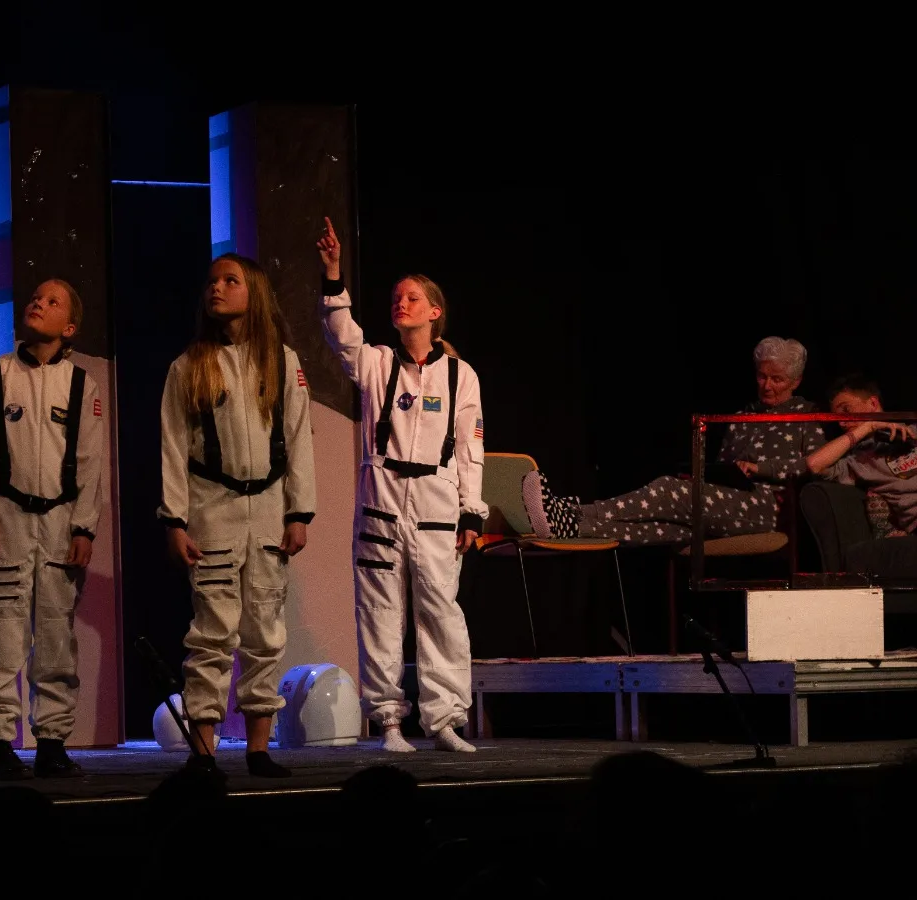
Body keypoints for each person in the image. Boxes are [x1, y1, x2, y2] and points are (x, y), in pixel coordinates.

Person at [316, 217, 485, 754]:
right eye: (396, 298)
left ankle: (445, 720)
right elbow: (341, 335)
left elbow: (469, 448)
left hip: (436, 502)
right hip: (383, 499)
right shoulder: (378, 364)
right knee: (380, 611)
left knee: (441, 610)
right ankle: (389, 720)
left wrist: (472, 510)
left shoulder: (460, 374)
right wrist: (333, 274)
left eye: (412, 298)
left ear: (435, 312)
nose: (401, 303)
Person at [158, 252, 316, 779]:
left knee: (265, 631)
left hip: (268, 509)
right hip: (213, 509)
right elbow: (172, 448)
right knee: (212, 633)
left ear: (256, 293)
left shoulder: (283, 362)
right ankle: (204, 751)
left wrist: (299, 512)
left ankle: (258, 750)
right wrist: (174, 520)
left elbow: (299, 439)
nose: (217, 289)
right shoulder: (188, 366)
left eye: (231, 281)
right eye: (212, 281)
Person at [0, 279, 106, 781]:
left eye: (52, 300)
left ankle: (52, 743)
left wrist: (84, 527)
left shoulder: (82, 385)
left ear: (70, 327)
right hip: (5, 519)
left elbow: (89, 462)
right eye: (36, 297)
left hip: (61, 524)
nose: (38, 302)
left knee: (56, 633)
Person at [524, 336, 834, 544]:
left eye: (777, 379)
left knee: (667, 489)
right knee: (661, 528)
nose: (767, 385)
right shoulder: (742, 416)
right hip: (727, 501)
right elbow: (725, 469)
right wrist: (706, 477)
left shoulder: (808, 416)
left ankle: (573, 510)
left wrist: (761, 469)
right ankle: (569, 527)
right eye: (762, 376)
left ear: (796, 381)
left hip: (768, 510)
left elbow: (815, 468)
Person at [822, 373, 917, 536]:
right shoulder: (859, 460)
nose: (842, 423)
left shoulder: (913, 430)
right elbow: (814, 464)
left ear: (873, 403)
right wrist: (868, 427)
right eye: (837, 418)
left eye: (846, 410)